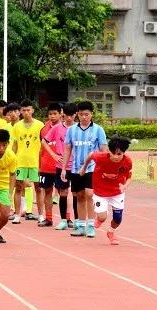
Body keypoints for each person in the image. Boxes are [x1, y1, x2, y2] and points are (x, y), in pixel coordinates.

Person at [60, 100, 108, 238]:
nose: (84, 117)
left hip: (93, 167)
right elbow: (67, 149)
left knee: (89, 194)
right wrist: (64, 168)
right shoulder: (71, 130)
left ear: (91, 114)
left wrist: (104, 168)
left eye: (87, 114)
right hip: (76, 168)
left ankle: (91, 225)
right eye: (81, 114)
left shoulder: (98, 130)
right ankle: (81, 225)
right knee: (79, 195)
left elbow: (104, 150)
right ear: (77, 115)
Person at [82, 137, 133, 246]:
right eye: (113, 153)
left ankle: (111, 232)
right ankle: (100, 219)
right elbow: (91, 155)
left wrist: (125, 186)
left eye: (119, 154)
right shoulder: (100, 157)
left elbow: (129, 177)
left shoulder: (127, 161)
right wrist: (84, 168)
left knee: (118, 219)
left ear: (124, 153)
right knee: (102, 217)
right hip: (100, 192)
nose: (115, 156)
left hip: (117, 192)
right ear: (109, 151)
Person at [11, 100, 43, 223]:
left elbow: (44, 145)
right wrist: (12, 161)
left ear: (32, 110)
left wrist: (42, 162)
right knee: (18, 188)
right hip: (20, 162)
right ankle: (17, 214)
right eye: (23, 110)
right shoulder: (17, 126)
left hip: (35, 162)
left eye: (28, 110)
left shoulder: (40, 125)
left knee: (38, 189)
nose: (26, 112)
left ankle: (41, 215)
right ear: (20, 112)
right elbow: (14, 145)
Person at [37, 103, 64, 227]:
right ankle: (48, 218)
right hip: (46, 166)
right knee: (47, 191)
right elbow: (41, 148)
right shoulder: (43, 129)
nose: (52, 116)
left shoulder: (65, 128)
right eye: (50, 114)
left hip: (61, 166)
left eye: (55, 114)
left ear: (60, 114)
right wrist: (39, 165)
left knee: (63, 192)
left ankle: (67, 218)